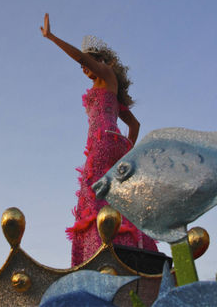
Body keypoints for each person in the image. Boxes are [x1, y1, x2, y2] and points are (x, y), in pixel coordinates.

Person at [41, 13, 158, 266]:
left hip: (103, 143)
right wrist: (127, 150)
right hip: (111, 141)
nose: (83, 68)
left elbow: (81, 57)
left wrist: (52, 38)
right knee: (114, 195)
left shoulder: (105, 73)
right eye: (82, 67)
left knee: (94, 194)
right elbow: (134, 125)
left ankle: (97, 254)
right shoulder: (108, 89)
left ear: (98, 60)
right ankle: (125, 244)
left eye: (87, 63)